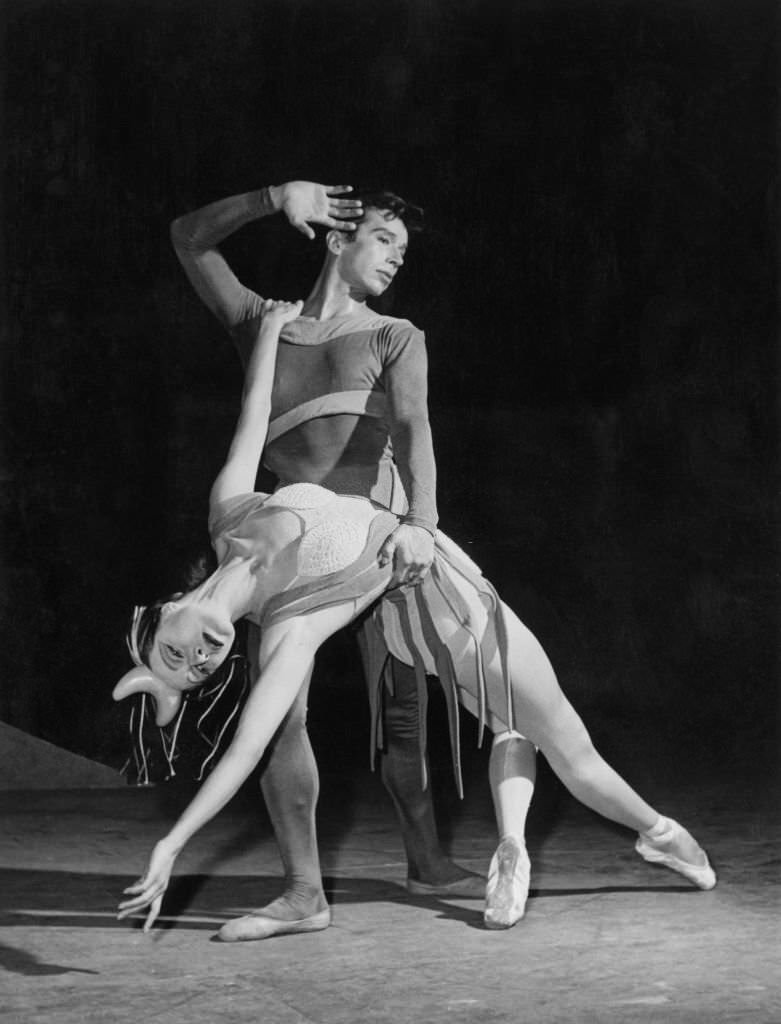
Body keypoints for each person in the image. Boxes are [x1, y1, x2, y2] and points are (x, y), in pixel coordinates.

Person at [115, 288, 716, 936]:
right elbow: (246, 747)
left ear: (165, 609)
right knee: (546, 739)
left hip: (448, 605)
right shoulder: (288, 627)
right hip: (433, 623)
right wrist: (173, 843)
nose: (200, 656)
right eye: (200, 670)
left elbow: (254, 411)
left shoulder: (229, 510)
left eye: (174, 653)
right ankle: (601, 837)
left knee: (552, 745)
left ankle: (643, 833)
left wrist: (269, 333)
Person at [164, 180, 539, 939]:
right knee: (281, 711)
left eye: (404, 251)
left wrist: (422, 526)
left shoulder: (391, 333)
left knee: (403, 708)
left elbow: (413, 429)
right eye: (383, 241)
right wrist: (273, 197)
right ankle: (305, 893)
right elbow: (188, 238)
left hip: (376, 534)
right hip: (296, 541)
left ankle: (426, 860)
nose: (397, 260)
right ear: (336, 238)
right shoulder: (262, 324)